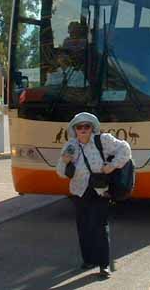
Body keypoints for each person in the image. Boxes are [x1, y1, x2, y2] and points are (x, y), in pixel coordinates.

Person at [55, 112, 132, 279]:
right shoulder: (70, 146)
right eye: (79, 127)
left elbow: (125, 149)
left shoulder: (102, 140)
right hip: (79, 191)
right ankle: (88, 260)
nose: (83, 130)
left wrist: (112, 166)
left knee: (100, 227)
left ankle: (104, 265)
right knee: (83, 227)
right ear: (75, 129)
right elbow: (60, 172)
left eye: (86, 126)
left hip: (100, 190)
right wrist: (66, 161)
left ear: (92, 128)